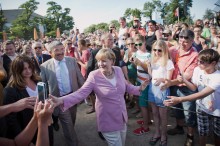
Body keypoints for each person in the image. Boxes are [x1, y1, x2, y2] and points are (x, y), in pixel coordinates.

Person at [50, 49, 149, 146]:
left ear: (112, 61)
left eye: (104, 61)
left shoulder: (118, 70)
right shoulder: (94, 75)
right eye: (98, 61)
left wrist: (139, 88)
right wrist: (61, 100)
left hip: (122, 118)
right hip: (107, 120)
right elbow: (81, 93)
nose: (100, 64)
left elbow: (126, 86)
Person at [164, 49, 220, 146]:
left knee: (217, 134)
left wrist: (180, 99)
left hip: (217, 111)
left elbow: (201, 94)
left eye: (201, 62)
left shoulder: (218, 77)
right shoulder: (198, 70)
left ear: (213, 63)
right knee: (202, 132)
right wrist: (184, 80)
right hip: (202, 107)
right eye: (198, 60)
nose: (198, 63)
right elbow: (194, 87)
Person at [40, 41, 85, 146]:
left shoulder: (72, 61)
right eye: (56, 50)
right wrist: (44, 102)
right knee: (67, 123)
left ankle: (68, 134)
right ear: (50, 52)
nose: (60, 52)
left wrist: (83, 93)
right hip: (57, 100)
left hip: (72, 97)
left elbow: (79, 77)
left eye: (61, 49)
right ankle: (73, 142)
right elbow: (43, 85)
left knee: (72, 120)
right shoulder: (44, 66)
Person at [2, 55, 53, 145]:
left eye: (29, 67)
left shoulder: (39, 81)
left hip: (45, 124)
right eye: (23, 68)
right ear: (16, 70)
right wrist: (23, 139)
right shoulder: (10, 90)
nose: (28, 71)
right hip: (27, 129)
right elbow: (11, 119)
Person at [161, 29, 198, 146]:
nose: (182, 41)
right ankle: (179, 127)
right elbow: (159, 53)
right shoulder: (173, 50)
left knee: (189, 113)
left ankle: (190, 136)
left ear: (192, 40)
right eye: (180, 38)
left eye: (186, 39)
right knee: (177, 109)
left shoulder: (195, 55)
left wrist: (169, 83)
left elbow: (186, 77)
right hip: (173, 86)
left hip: (186, 88)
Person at [147, 40, 174, 146]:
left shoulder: (168, 62)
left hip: (162, 89)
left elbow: (169, 80)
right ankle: (157, 133)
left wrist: (162, 79)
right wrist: (149, 66)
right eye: (154, 50)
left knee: (163, 115)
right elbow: (151, 75)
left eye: (159, 50)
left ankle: (163, 135)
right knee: (154, 113)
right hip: (152, 88)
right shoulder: (153, 60)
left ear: (164, 50)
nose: (156, 52)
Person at [130, 34, 151, 135]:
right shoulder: (137, 52)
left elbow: (149, 71)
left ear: (144, 42)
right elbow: (137, 67)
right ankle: (147, 120)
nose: (137, 46)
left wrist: (140, 63)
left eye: (140, 44)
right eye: (136, 44)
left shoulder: (149, 55)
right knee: (142, 103)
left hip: (146, 83)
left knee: (143, 105)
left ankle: (146, 127)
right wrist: (134, 62)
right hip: (139, 80)